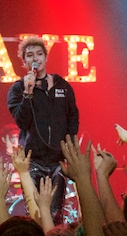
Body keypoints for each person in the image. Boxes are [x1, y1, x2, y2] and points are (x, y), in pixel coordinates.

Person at [7, 37, 79, 222]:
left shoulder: (62, 86)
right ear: (24, 62)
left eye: (39, 54)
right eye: (30, 55)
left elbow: (73, 116)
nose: (35, 59)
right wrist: (28, 93)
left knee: (56, 214)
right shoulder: (18, 89)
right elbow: (22, 121)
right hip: (33, 161)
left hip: (57, 161)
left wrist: (70, 146)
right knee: (36, 215)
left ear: (46, 58)